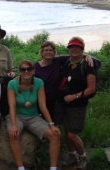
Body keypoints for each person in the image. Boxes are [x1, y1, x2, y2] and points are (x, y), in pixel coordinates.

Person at [7, 60, 61, 170]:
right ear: (19, 72)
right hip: (17, 116)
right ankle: (21, 167)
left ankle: (53, 168)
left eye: (29, 69)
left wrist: (51, 124)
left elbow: (42, 105)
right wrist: (13, 125)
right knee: (14, 134)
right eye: (23, 69)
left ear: (34, 71)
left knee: (55, 135)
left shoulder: (39, 82)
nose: (26, 71)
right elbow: (12, 106)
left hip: (33, 117)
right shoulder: (12, 83)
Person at [54, 37, 96, 170]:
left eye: (77, 47)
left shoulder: (88, 65)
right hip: (63, 103)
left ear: (82, 49)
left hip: (77, 105)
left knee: (72, 134)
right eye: (71, 47)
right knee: (67, 131)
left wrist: (74, 96)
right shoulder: (67, 61)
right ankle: (72, 157)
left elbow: (91, 89)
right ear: (69, 49)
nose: (74, 49)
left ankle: (83, 157)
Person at [34, 41, 93, 121]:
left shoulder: (58, 60)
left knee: (54, 123)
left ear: (54, 52)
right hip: (41, 101)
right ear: (42, 52)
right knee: (42, 123)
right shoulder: (35, 67)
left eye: (50, 50)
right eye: (46, 50)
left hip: (56, 101)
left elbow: (75, 55)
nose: (48, 52)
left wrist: (87, 56)